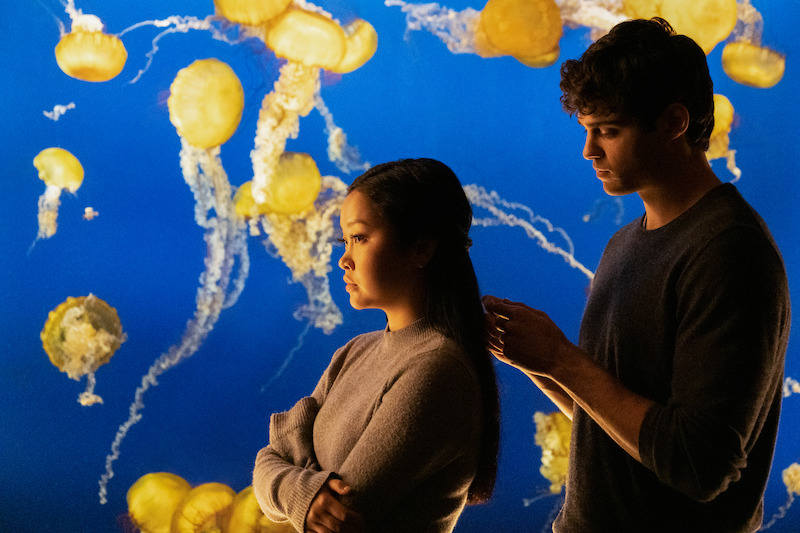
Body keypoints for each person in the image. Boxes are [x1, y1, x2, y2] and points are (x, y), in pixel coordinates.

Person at [483, 18, 790, 532]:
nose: (589, 151)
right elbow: (609, 422)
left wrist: (562, 356)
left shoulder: (729, 252)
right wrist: (535, 360)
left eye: (608, 130)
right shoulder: (624, 243)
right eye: (586, 130)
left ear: (673, 122)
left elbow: (697, 464)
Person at [253, 158, 500, 533]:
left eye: (361, 238)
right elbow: (270, 456)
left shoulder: (439, 368)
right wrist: (300, 487)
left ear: (421, 249)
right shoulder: (353, 352)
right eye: (345, 240)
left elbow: (341, 511)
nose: (344, 259)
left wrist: (292, 473)